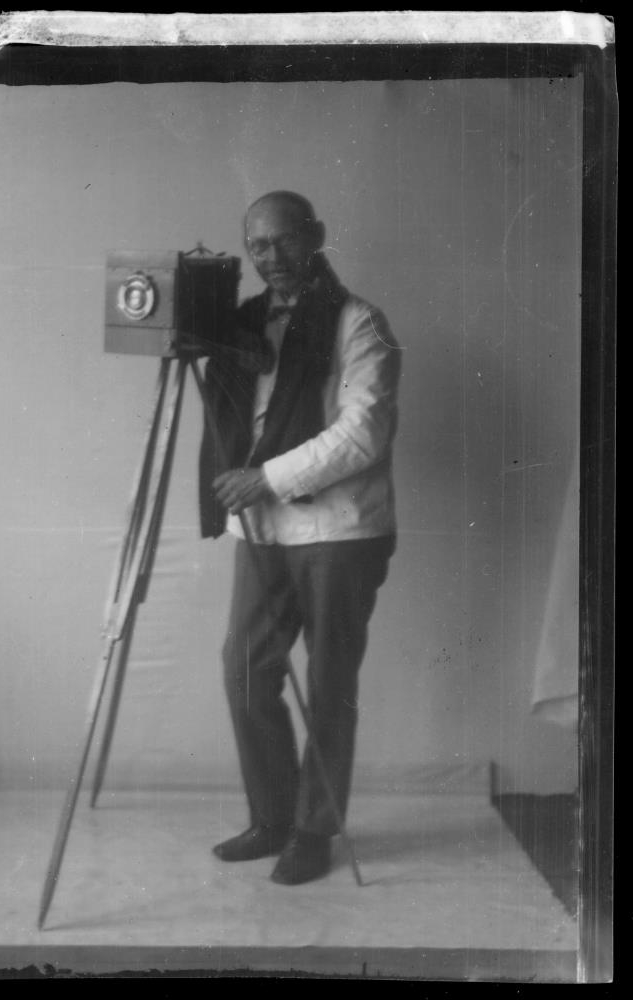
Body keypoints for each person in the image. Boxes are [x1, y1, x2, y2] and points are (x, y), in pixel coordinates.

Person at [198, 191, 401, 885]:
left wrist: (267, 478)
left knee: (329, 681)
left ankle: (316, 830)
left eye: (284, 240)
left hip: (340, 528)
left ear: (315, 235)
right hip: (263, 527)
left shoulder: (358, 321)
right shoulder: (242, 326)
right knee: (245, 669)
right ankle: (274, 817)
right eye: (257, 245)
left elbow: (364, 432)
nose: (271, 256)